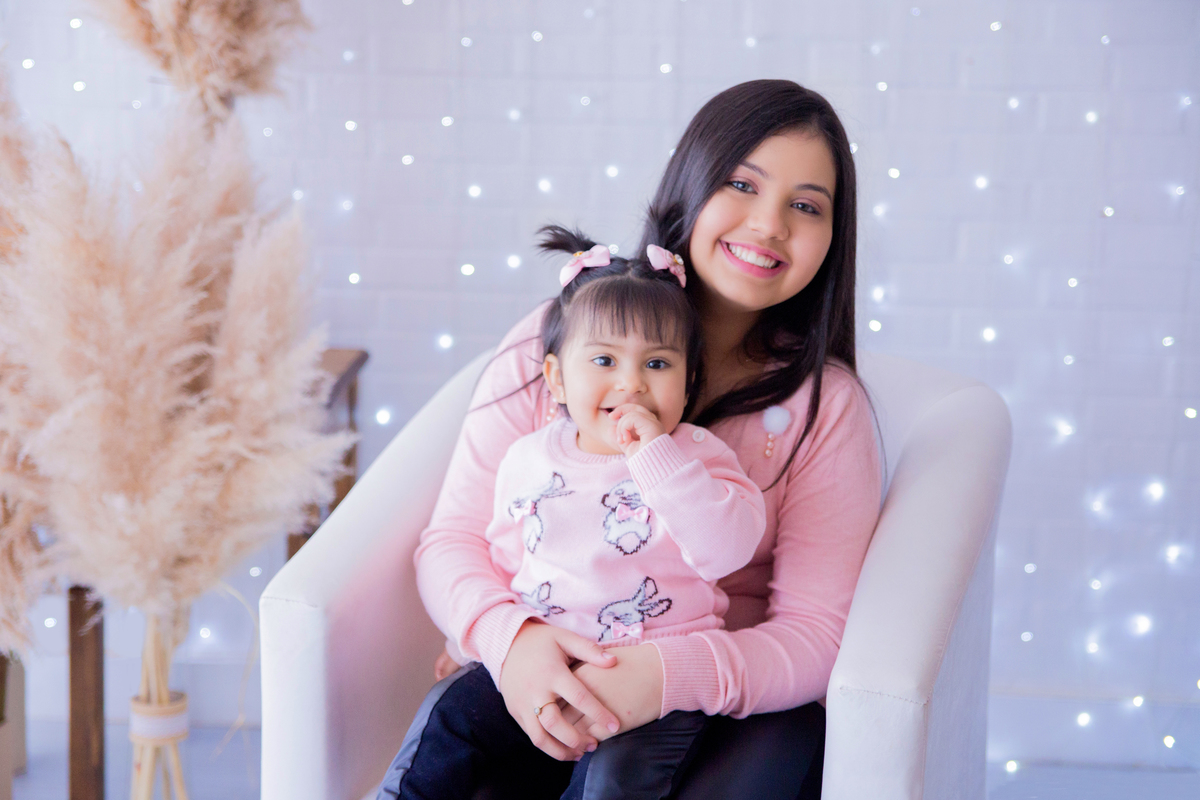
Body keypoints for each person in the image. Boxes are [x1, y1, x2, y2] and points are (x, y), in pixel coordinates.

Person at [386, 78, 882, 799]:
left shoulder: (823, 407)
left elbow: (813, 635)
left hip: (724, 698)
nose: (769, 224)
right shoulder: (553, 339)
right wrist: (508, 641)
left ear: (832, 238)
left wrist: (664, 678)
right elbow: (456, 540)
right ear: (690, 184)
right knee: (451, 739)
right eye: (741, 184)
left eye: (805, 206)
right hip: (555, 664)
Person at [382, 230, 767, 800]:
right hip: (546, 660)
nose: (631, 383)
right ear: (557, 379)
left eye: (657, 364)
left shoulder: (698, 458)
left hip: (652, 684)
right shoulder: (529, 456)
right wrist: (478, 643)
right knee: (448, 716)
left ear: (688, 383)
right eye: (605, 360)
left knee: (611, 781)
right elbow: (509, 554)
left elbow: (728, 549)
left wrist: (657, 457)